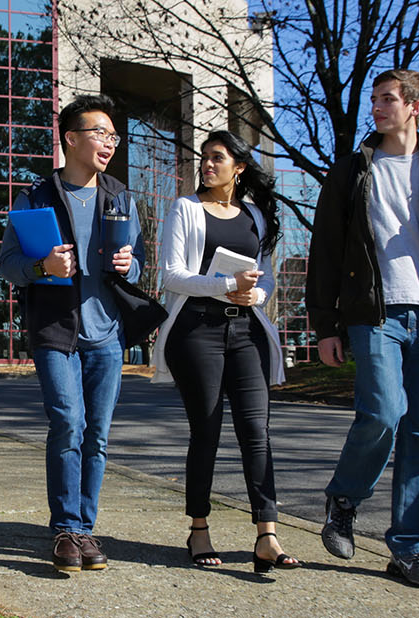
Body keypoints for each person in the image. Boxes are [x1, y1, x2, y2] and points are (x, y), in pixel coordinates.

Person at [307, 68, 419, 589]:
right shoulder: (351, 172)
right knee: (382, 412)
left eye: (387, 99)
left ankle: (410, 549)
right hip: (374, 314)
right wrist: (325, 326)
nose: (377, 107)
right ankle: (344, 498)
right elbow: (326, 253)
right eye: (374, 99)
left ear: (414, 107)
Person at [0, 93, 160, 573]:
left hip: (107, 334)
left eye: (114, 136)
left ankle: (84, 530)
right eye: (100, 133)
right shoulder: (35, 197)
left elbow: (138, 256)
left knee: (99, 433)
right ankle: (67, 528)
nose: (109, 143)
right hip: (54, 331)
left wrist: (134, 262)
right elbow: (7, 264)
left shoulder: (120, 195)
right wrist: (41, 265)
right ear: (71, 138)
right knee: (68, 422)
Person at [151, 130, 300, 574]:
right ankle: (199, 528)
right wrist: (225, 286)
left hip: (246, 332)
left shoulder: (255, 214)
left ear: (239, 167)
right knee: (208, 431)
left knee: (257, 431)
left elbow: (267, 276)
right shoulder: (186, 208)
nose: (207, 165)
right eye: (204, 158)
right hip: (197, 331)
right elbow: (172, 276)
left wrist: (254, 297)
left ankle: (267, 536)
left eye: (217, 158)